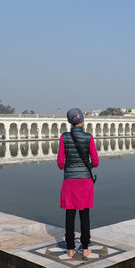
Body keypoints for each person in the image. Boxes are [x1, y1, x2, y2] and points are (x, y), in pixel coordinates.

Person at [57, 108, 99, 258]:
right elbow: (96, 161)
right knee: (84, 214)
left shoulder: (64, 137)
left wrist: (70, 166)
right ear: (82, 121)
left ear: (70, 122)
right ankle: (86, 248)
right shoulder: (88, 137)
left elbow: (60, 163)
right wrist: (86, 166)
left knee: (70, 214)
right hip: (85, 182)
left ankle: (70, 249)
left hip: (70, 181)